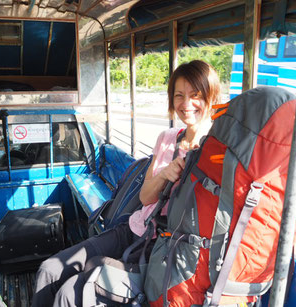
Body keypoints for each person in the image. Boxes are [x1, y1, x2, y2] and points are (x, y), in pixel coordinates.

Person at [32, 60, 221, 307]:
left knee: (69, 293)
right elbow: (145, 198)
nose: (186, 104)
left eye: (195, 95)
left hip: (163, 249)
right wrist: (165, 175)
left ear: (211, 97)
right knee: (49, 269)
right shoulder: (166, 138)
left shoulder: (215, 153)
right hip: (133, 228)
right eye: (179, 95)